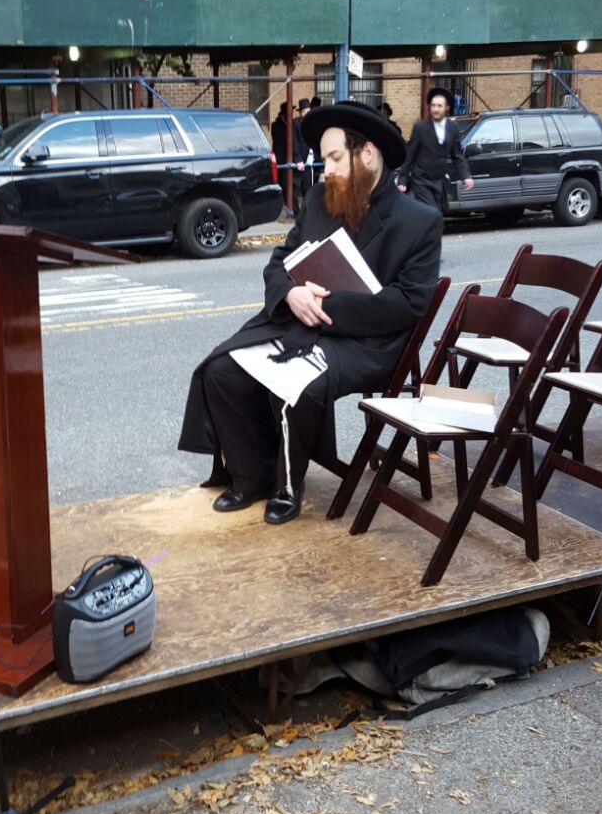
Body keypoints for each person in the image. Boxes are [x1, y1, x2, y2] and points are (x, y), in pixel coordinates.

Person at [179, 101, 442, 525]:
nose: (326, 170)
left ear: (367, 153)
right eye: (324, 159)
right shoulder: (321, 198)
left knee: (293, 385)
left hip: (365, 341)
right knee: (220, 370)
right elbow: (279, 262)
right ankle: (252, 476)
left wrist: (324, 305)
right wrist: (291, 293)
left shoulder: (419, 221)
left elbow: (409, 303)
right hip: (298, 321)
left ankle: (287, 484)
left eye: (335, 158)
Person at [396, 86, 474, 216]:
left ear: (447, 108)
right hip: (421, 181)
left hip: (439, 181)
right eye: (433, 106)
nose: (436, 109)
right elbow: (409, 155)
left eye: (439, 106)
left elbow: (457, 155)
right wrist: (402, 179)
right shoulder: (420, 128)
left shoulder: (452, 128)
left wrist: (466, 176)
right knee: (433, 214)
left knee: (437, 214)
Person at [271, 100, 305, 212]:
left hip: (290, 159)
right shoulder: (276, 125)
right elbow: (281, 139)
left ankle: (294, 209)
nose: (291, 114)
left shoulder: (292, 124)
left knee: (290, 185)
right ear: (284, 113)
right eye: (289, 112)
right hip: (281, 159)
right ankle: (288, 208)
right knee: (283, 184)